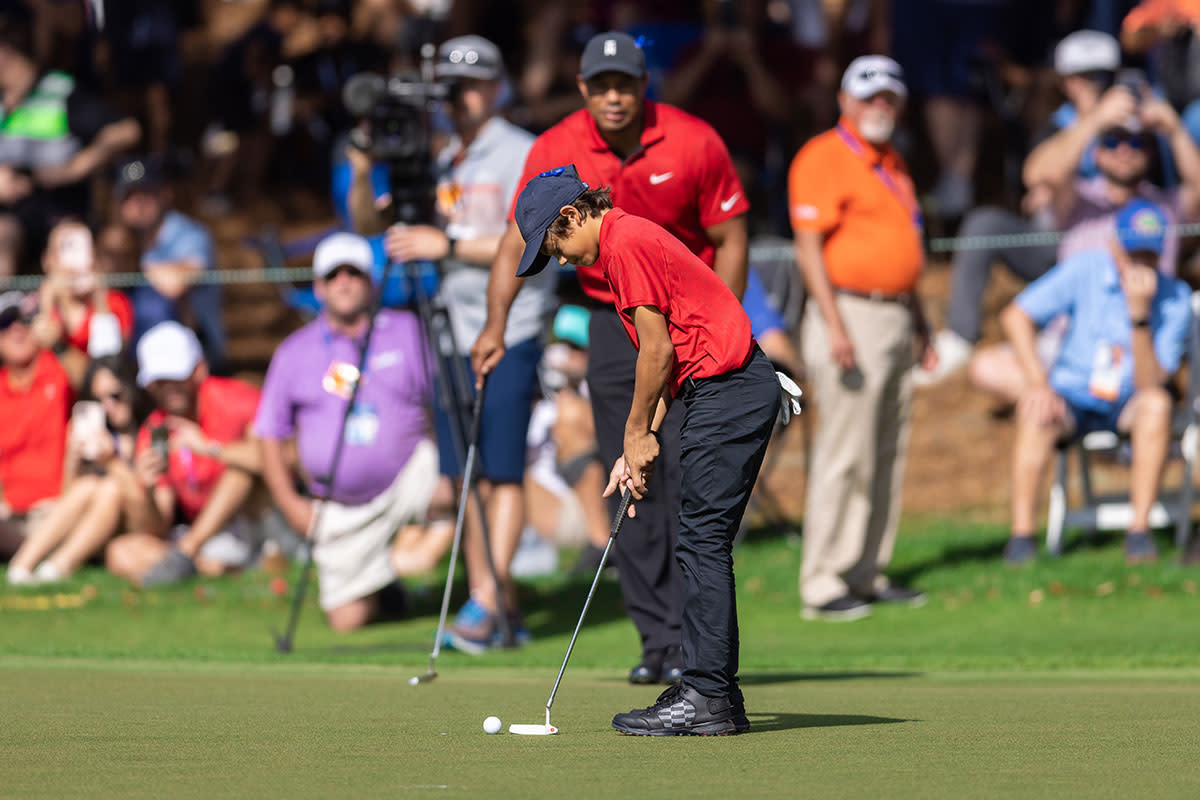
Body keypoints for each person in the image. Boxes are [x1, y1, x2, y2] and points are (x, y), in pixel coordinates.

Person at [472, 31, 750, 683]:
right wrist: (495, 325)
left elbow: (732, 236)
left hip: (686, 320)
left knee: (685, 473)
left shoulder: (692, 141)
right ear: (582, 89)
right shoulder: (555, 148)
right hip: (611, 321)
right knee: (629, 479)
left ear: (644, 84)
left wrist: (718, 322)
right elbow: (516, 241)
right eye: (601, 86)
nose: (614, 97)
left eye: (625, 84)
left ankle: (697, 649)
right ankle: (659, 643)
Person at [513, 166, 779, 735]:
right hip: (719, 388)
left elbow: (655, 354)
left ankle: (708, 695)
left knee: (701, 539)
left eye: (555, 246)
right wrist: (637, 445)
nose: (561, 261)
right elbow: (670, 361)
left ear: (571, 216)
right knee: (700, 537)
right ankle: (713, 693)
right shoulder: (625, 241)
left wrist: (635, 434)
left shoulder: (625, 244)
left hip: (729, 389)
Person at [360, 36, 546, 651]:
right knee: (468, 473)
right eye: (449, 88)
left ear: (496, 87)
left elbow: (534, 239)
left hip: (509, 326)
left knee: (502, 469)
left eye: (469, 86)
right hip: (452, 328)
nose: (457, 99)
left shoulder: (521, 151)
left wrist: (448, 246)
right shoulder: (441, 157)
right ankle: (497, 604)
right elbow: (370, 221)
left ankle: (484, 602)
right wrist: (364, 163)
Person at [921, 40, 1200, 386]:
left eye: (1136, 142)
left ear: (1152, 150)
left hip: (1135, 344)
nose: (1124, 150)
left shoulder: (1166, 206)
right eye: (1112, 141)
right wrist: (1095, 121)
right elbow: (1037, 173)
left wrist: (1173, 128)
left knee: (1150, 400)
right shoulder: (1080, 194)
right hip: (1071, 344)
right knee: (988, 368)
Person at [789, 56, 934, 621]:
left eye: (889, 98)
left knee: (885, 450)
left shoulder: (892, 160)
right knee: (845, 451)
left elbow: (905, 249)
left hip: (894, 314)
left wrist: (921, 322)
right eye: (869, 96)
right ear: (845, 101)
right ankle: (823, 580)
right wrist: (834, 324)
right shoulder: (823, 155)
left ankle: (867, 569)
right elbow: (808, 248)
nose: (880, 106)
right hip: (849, 312)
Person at [254, 232, 446, 632]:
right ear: (318, 288)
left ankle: (488, 595)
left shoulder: (409, 331)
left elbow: (444, 405)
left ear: (371, 282)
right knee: (347, 620)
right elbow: (269, 434)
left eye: (353, 273)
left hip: (410, 479)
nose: (344, 282)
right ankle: (386, 585)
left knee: (465, 486)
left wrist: (450, 469)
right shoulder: (294, 351)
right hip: (337, 507)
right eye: (333, 275)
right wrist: (290, 503)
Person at [998, 199, 1191, 564]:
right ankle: (1021, 538)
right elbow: (1016, 316)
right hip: (1072, 394)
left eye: (1149, 254)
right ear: (1115, 245)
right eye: (1132, 253)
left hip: (1130, 401)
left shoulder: (1174, 298)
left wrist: (1139, 317)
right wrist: (1038, 384)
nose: (1139, 263)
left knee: (1157, 405)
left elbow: (1151, 384)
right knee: (1035, 411)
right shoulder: (1085, 269)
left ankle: (1139, 533)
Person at [105, 322, 263, 587]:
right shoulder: (156, 430)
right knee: (119, 553)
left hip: (253, 520)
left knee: (240, 472)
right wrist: (148, 490)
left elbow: (278, 460)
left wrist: (210, 448)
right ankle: (212, 567)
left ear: (199, 370)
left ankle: (189, 554)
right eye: (159, 381)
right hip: (201, 533)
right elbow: (158, 527)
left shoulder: (237, 400)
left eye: (176, 377)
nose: (169, 387)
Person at [0, 3, 140, 276]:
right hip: (10, 216)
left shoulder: (58, 91)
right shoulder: (3, 102)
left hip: (60, 212)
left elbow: (126, 130)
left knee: (70, 249)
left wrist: (77, 166)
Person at [6, 355, 151, 584]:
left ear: (131, 390)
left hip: (133, 531)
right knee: (88, 485)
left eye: (115, 396)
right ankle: (22, 565)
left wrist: (112, 462)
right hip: (91, 527)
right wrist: (72, 458)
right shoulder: (95, 434)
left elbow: (145, 513)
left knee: (110, 489)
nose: (108, 406)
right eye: (98, 399)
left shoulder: (147, 434)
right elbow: (67, 498)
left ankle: (57, 567)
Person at [115, 156, 227, 371]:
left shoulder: (190, 233)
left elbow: (175, 285)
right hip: (136, 359)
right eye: (129, 195)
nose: (138, 203)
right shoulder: (119, 239)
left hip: (195, 357)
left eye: (146, 192)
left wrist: (133, 259)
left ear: (165, 193)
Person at [0, 290, 70, 559]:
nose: (17, 329)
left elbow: (93, 378)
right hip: (9, 514)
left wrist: (58, 344)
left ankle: (32, 555)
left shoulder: (58, 369)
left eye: (25, 320)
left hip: (55, 510)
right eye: (6, 322)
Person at [30, 221, 133, 387]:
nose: (76, 265)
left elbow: (106, 374)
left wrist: (100, 302)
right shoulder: (28, 306)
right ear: (47, 260)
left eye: (84, 250)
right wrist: (45, 305)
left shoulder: (115, 303)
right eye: (67, 249)